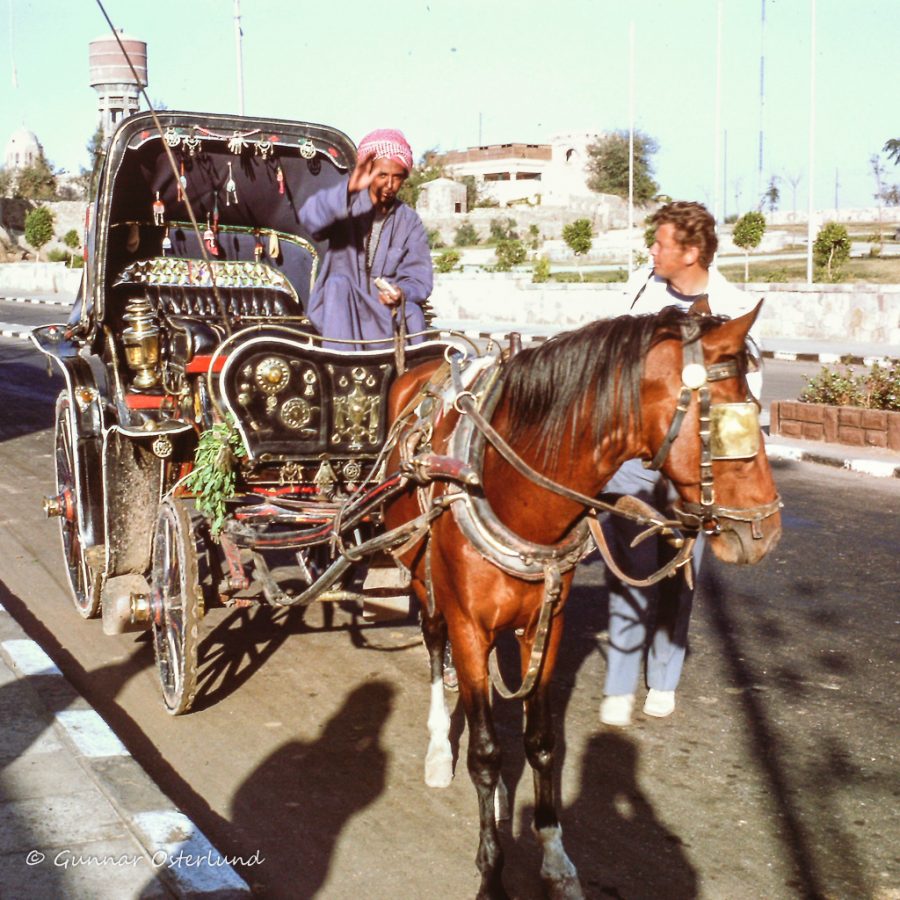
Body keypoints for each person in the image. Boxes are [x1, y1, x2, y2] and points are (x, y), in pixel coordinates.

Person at [600, 201, 760, 727]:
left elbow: (743, 403)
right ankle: (621, 681)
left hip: (696, 466)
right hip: (635, 460)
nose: (652, 250)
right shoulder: (637, 291)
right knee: (629, 573)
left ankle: (664, 675)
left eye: (661, 243)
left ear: (689, 252)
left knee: (682, 573)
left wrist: (728, 474)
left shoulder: (734, 308)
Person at [299, 128, 433, 350]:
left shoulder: (409, 221)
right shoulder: (345, 205)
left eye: (397, 177)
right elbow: (309, 218)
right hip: (342, 307)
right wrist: (349, 189)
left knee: (412, 312)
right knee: (337, 285)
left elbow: (418, 278)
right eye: (382, 175)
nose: (389, 185)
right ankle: (339, 368)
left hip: (383, 310)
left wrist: (400, 291)